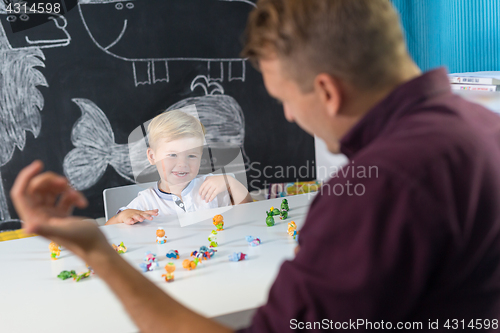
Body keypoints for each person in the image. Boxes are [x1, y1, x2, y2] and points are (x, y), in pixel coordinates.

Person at [11, 0, 500, 332]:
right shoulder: (481, 126)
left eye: (286, 99)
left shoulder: (381, 187)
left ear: (327, 91)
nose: (287, 116)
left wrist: (98, 254)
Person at [106, 110, 252, 225]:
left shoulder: (212, 187)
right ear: (152, 156)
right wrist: (122, 217)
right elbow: (109, 230)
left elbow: (249, 212)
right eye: (172, 155)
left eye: (192, 156)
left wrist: (231, 183)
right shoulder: (146, 201)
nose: (183, 164)